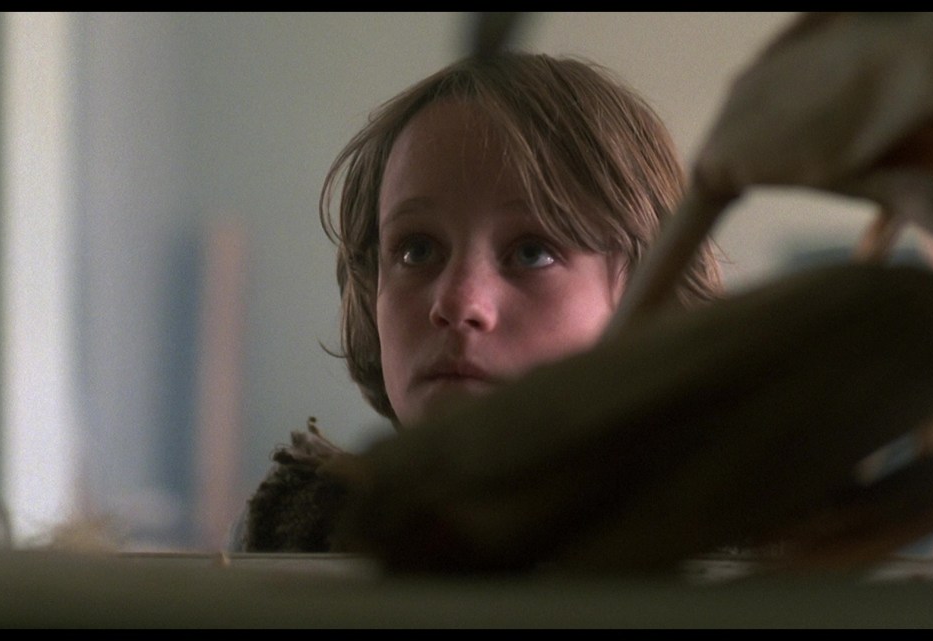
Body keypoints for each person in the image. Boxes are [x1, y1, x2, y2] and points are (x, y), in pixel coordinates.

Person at [229, 51, 724, 553]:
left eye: (532, 252)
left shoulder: (727, 546)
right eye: (417, 250)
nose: (458, 302)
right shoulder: (297, 530)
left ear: (648, 301)